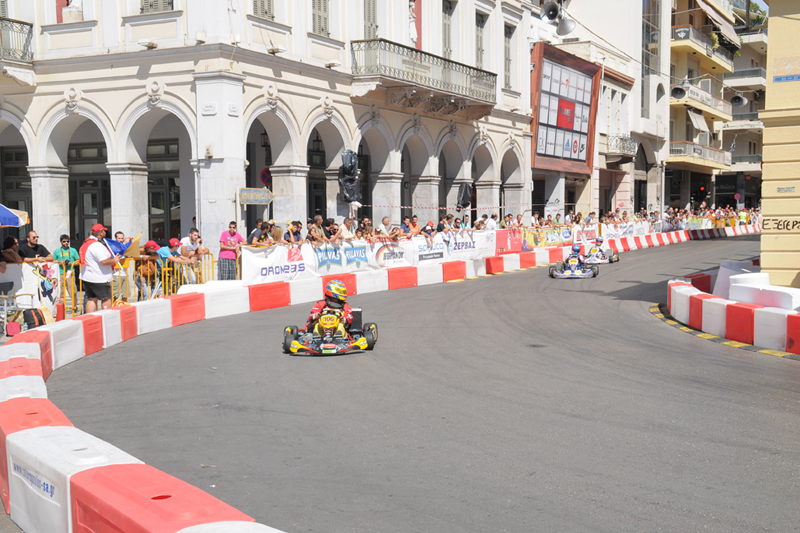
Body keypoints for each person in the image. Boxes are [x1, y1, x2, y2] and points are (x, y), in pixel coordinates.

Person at [80, 224, 122, 313]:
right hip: (99, 278)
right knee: (106, 299)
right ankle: (107, 317)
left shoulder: (86, 243)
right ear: (101, 233)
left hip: (88, 276)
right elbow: (103, 261)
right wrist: (114, 260)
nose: (105, 232)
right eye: (104, 231)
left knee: (92, 299)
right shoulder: (96, 245)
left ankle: (89, 319)